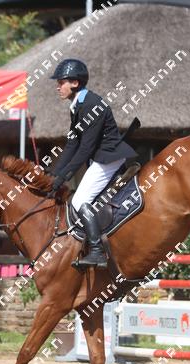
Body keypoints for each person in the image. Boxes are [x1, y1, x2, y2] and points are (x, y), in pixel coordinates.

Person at [48, 58, 136, 268]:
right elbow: (72, 143)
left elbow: (85, 148)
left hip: (108, 158)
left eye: (61, 82)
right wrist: (53, 174)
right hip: (101, 157)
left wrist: (63, 177)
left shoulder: (91, 104)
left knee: (79, 201)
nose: (58, 87)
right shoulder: (77, 105)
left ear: (75, 83)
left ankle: (97, 251)